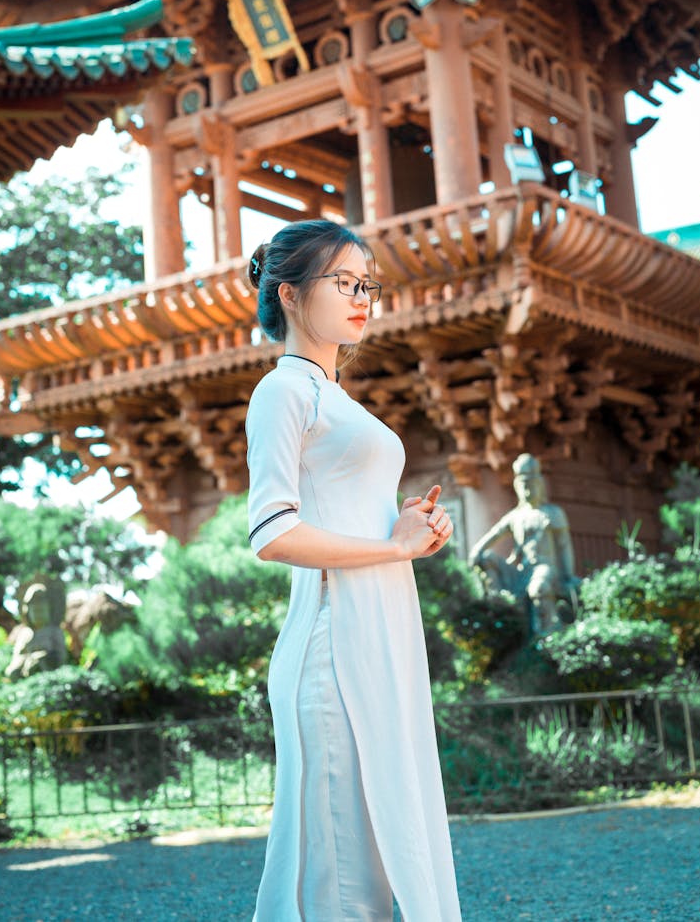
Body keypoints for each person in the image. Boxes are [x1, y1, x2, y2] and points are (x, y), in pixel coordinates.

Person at [246, 219, 462, 922]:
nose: (362, 295)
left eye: (368, 282)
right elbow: (273, 531)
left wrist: (407, 527)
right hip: (333, 648)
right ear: (292, 294)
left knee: (384, 848)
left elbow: (345, 513)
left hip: (378, 640)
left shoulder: (334, 397)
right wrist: (392, 546)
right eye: (344, 281)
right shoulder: (284, 391)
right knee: (346, 884)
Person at [469, 453, 579, 634]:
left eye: (531, 485)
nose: (527, 491)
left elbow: (564, 546)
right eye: (523, 486)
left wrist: (567, 575)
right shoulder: (515, 516)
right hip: (521, 570)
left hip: (545, 568)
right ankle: (499, 609)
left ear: (540, 485)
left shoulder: (552, 513)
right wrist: (477, 551)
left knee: (539, 588)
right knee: (487, 558)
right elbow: (494, 534)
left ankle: (545, 633)